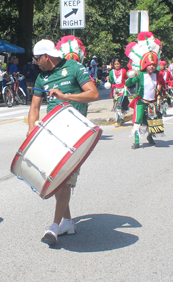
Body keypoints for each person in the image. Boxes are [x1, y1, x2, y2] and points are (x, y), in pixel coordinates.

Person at [28, 38, 99, 244]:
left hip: (75, 132)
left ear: (46, 57)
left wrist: (65, 95)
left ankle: (54, 226)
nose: (35, 63)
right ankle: (67, 221)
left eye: (36, 59)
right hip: (52, 132)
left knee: (65, 180)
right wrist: (31, 129)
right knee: (57, 179)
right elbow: (34, 107)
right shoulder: (42, 77)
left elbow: (93, 94)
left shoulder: (75, 67)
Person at [124, 32, 166, 149]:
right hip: (141, 102)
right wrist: (132, 76)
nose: (151, 67)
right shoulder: (139, 74)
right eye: (149, 65)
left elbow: (163, 84)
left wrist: (163, 95)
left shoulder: (158, 75)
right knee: (137, 120)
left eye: (153, 65)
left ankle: (150, 137)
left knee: (153, 120)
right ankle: (136, 141)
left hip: (152, 102)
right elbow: (127, 84)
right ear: (145, 65)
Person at [106, 58, 129, 126]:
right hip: (115, 90)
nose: (117, 65)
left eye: (118, 64)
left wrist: (127, 85)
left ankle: (118, 121)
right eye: (115, 64)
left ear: (120, 64)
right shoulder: (111, 72)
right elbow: (111, 81)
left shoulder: (124, 71)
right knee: (117, 104)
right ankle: (120, 119)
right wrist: (108, 79)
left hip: (122, 89)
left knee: (119, 104)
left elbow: (127, 78)